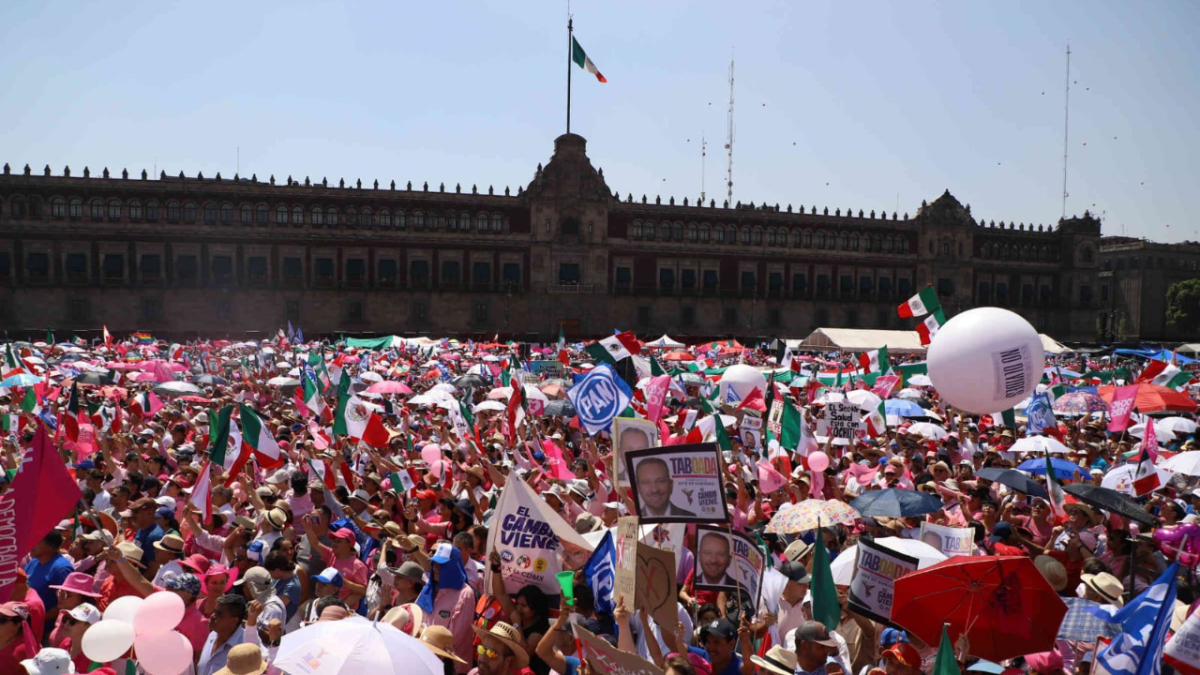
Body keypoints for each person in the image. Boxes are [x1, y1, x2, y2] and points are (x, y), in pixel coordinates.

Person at [420, 542, 476, 674]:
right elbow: (415, 616)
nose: (436, 568)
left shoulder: (465, 594)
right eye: (435, 563)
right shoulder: (429, 588)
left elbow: (454, 638)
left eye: (442, 565)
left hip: (452, 668)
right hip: (426, 659)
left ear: (453, 566)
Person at [23, 531, 73, 633]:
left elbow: (66, 603)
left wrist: (37, 619)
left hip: (45, 630)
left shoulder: (62, 569)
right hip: (25, 624)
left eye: (37, 541)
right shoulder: (34, 562)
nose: (32, 544)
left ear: (50, 547)